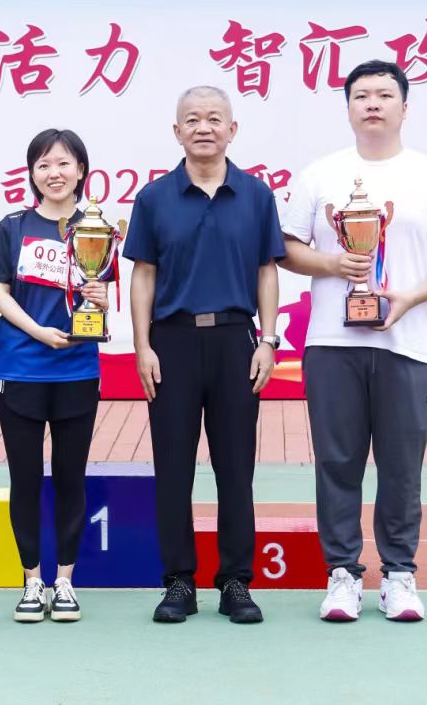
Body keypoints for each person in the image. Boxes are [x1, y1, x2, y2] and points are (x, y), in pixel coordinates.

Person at [279, 60, 427, 622]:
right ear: (348, 108)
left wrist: (412, 297)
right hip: (332, 343)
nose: (373, 103)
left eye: (384, 95)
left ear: (404, 108)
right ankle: (343, 574)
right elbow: (286, 248)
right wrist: (332, 263)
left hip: (405, 344)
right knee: (337, 463)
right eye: (362, 95)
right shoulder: (320, 175)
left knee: (401, 467)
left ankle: (399, 575)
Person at [124, 86, 286, 624]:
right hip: (171, 343)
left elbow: (267, 270)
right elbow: (143, 275)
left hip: (236, 342)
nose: (204, 128)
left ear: (232, 130)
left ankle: (236, 582)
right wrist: (142, 345)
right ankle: (178, 582)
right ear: (177, 132)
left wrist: (268, 339)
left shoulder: (256, 195)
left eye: (215, 119)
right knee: (172, 468)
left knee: (235, 468)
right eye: (192, 119)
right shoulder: (154, 198)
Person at [0, 129, 109, 623]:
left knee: (71, 477)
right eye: (43, 164)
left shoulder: (97, 228)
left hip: (77, 369)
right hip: (20, 368)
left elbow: (100, 296)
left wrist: (100, 300)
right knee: (25, 478)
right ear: (32, 173)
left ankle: (65, 582)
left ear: (81, 170)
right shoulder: (13, 227)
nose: (53, 173)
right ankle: (32, 581)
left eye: (63, 163)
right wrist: (37, 331)